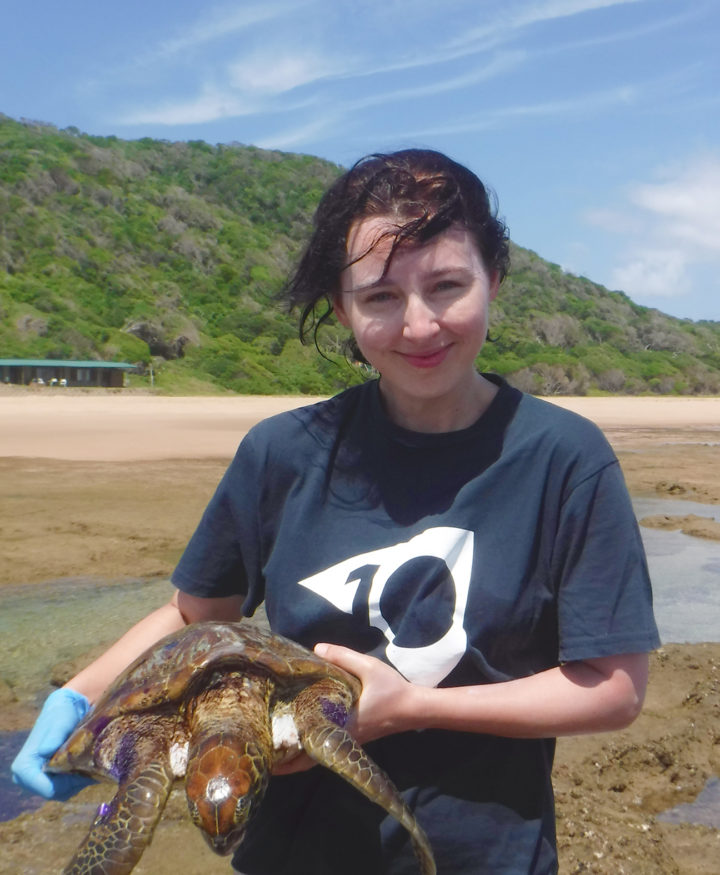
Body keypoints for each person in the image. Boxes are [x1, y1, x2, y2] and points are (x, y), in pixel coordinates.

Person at [13, 149, 659, 874]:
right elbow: (197, 614)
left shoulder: (564, 458)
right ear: (342, 308)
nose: (419, 326)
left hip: (486, 855)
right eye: (380, 297)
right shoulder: (283, 452)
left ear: (494, 281)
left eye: (447, 285)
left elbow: (614, 688)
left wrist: (414, 707)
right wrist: (77, 698)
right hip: (292, 853)